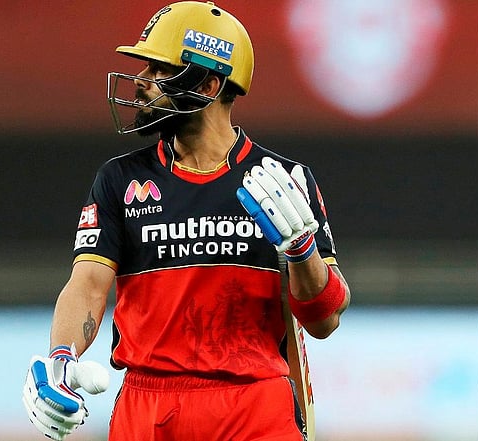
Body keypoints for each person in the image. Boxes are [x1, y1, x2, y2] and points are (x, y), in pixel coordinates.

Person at [22, 2, 350, 440]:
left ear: (210, 84)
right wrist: (61, 356)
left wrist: (302, 250)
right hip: (148, 408)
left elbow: (325, 321)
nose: (139, 83)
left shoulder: (283, 182)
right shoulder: (120, 179)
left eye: (158, 70)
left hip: (253, 409)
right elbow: (87, 285)